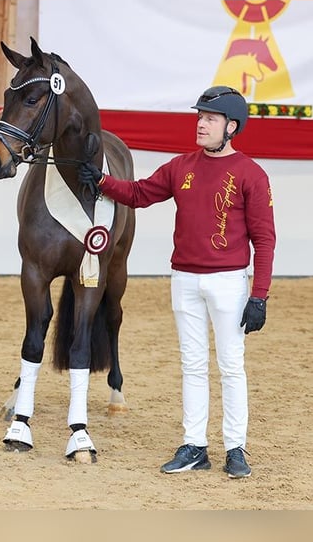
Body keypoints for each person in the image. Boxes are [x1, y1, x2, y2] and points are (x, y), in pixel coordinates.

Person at [79, 86, 275, 479]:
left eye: (210, 119)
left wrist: (260, 296)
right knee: (192, 366)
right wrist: (101, 180)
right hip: (184, 279)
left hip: (228, 283)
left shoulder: (251, 174)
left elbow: (264, 237)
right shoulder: (180, 167)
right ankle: (194, 445)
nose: (201, 124)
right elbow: (138, 194)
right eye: (199, 116)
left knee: (231, 367)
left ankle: (235, 447)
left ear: (231, 127)